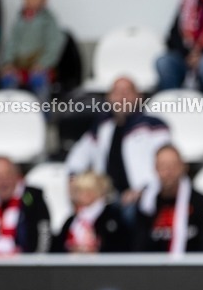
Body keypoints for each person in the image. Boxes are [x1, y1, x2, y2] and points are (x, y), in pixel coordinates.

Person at [65, 76, 171, 210]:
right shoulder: (102, 126)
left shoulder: (153, 127)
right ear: (108, 98)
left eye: (127, 92)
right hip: (105, 197)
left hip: (140, 197)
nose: (122, 98)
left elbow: (167, 164)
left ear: (139, 97)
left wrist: (143, 190)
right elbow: (80, 154)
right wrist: (73, 177)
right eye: (117, 93)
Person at [0, 0, 65, 101]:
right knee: (8, 79)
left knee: (39, 82)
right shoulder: (20, 19)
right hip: (20, 66)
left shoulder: (48, 20)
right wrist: (9, 62)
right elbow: (12, 42)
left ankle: (42, 115)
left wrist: (43, 63)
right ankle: (11, 111)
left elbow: (55, 43)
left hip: (41, 67)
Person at [136, 145, 203, 253]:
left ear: (183, 167)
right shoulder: (146, 204)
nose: (168, 172)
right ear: (155, 169)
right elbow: (139, 246)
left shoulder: (200, 203)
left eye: (173, 166)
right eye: (163, 166)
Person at [0, 156, 50, 254]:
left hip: (25, 265)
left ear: (17, 175)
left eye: (7, 176)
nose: (2, 183)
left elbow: (44, 232)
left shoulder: (32, 198)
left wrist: (39, 260)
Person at [51, 172, 130, 253]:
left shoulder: (112, 217)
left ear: (95, 192)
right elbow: (58, 246)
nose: (78, 196)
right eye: (78, 191)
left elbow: (118, 245)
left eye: (83, 191)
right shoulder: (72, 220)